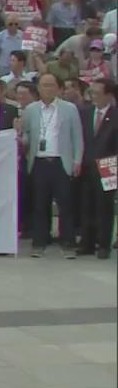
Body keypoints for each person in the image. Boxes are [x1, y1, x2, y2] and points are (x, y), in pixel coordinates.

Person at [20, 73, 84, 259]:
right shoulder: (31, 109)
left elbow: (77, 137)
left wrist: (77, 160)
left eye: (51, 85)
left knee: (65, 205)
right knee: (40, 204)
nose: (47, 89)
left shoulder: (69, 109)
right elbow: (27, 137)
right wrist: (20, 136)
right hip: (39, 162)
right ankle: (39, 242)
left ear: (58, 88)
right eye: (43, 85)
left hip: (61, 161)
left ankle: (68, 243)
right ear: (38, 88)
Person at [76, 78, 116, 258]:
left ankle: (104, 245)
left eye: (97, 93)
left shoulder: (115, 115)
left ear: (108, 95)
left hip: (108, 166)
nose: (93, 97)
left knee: (104, 207)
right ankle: (87, 243)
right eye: (91, 93)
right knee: (87, 205)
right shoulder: (85, 112)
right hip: (86, 165)